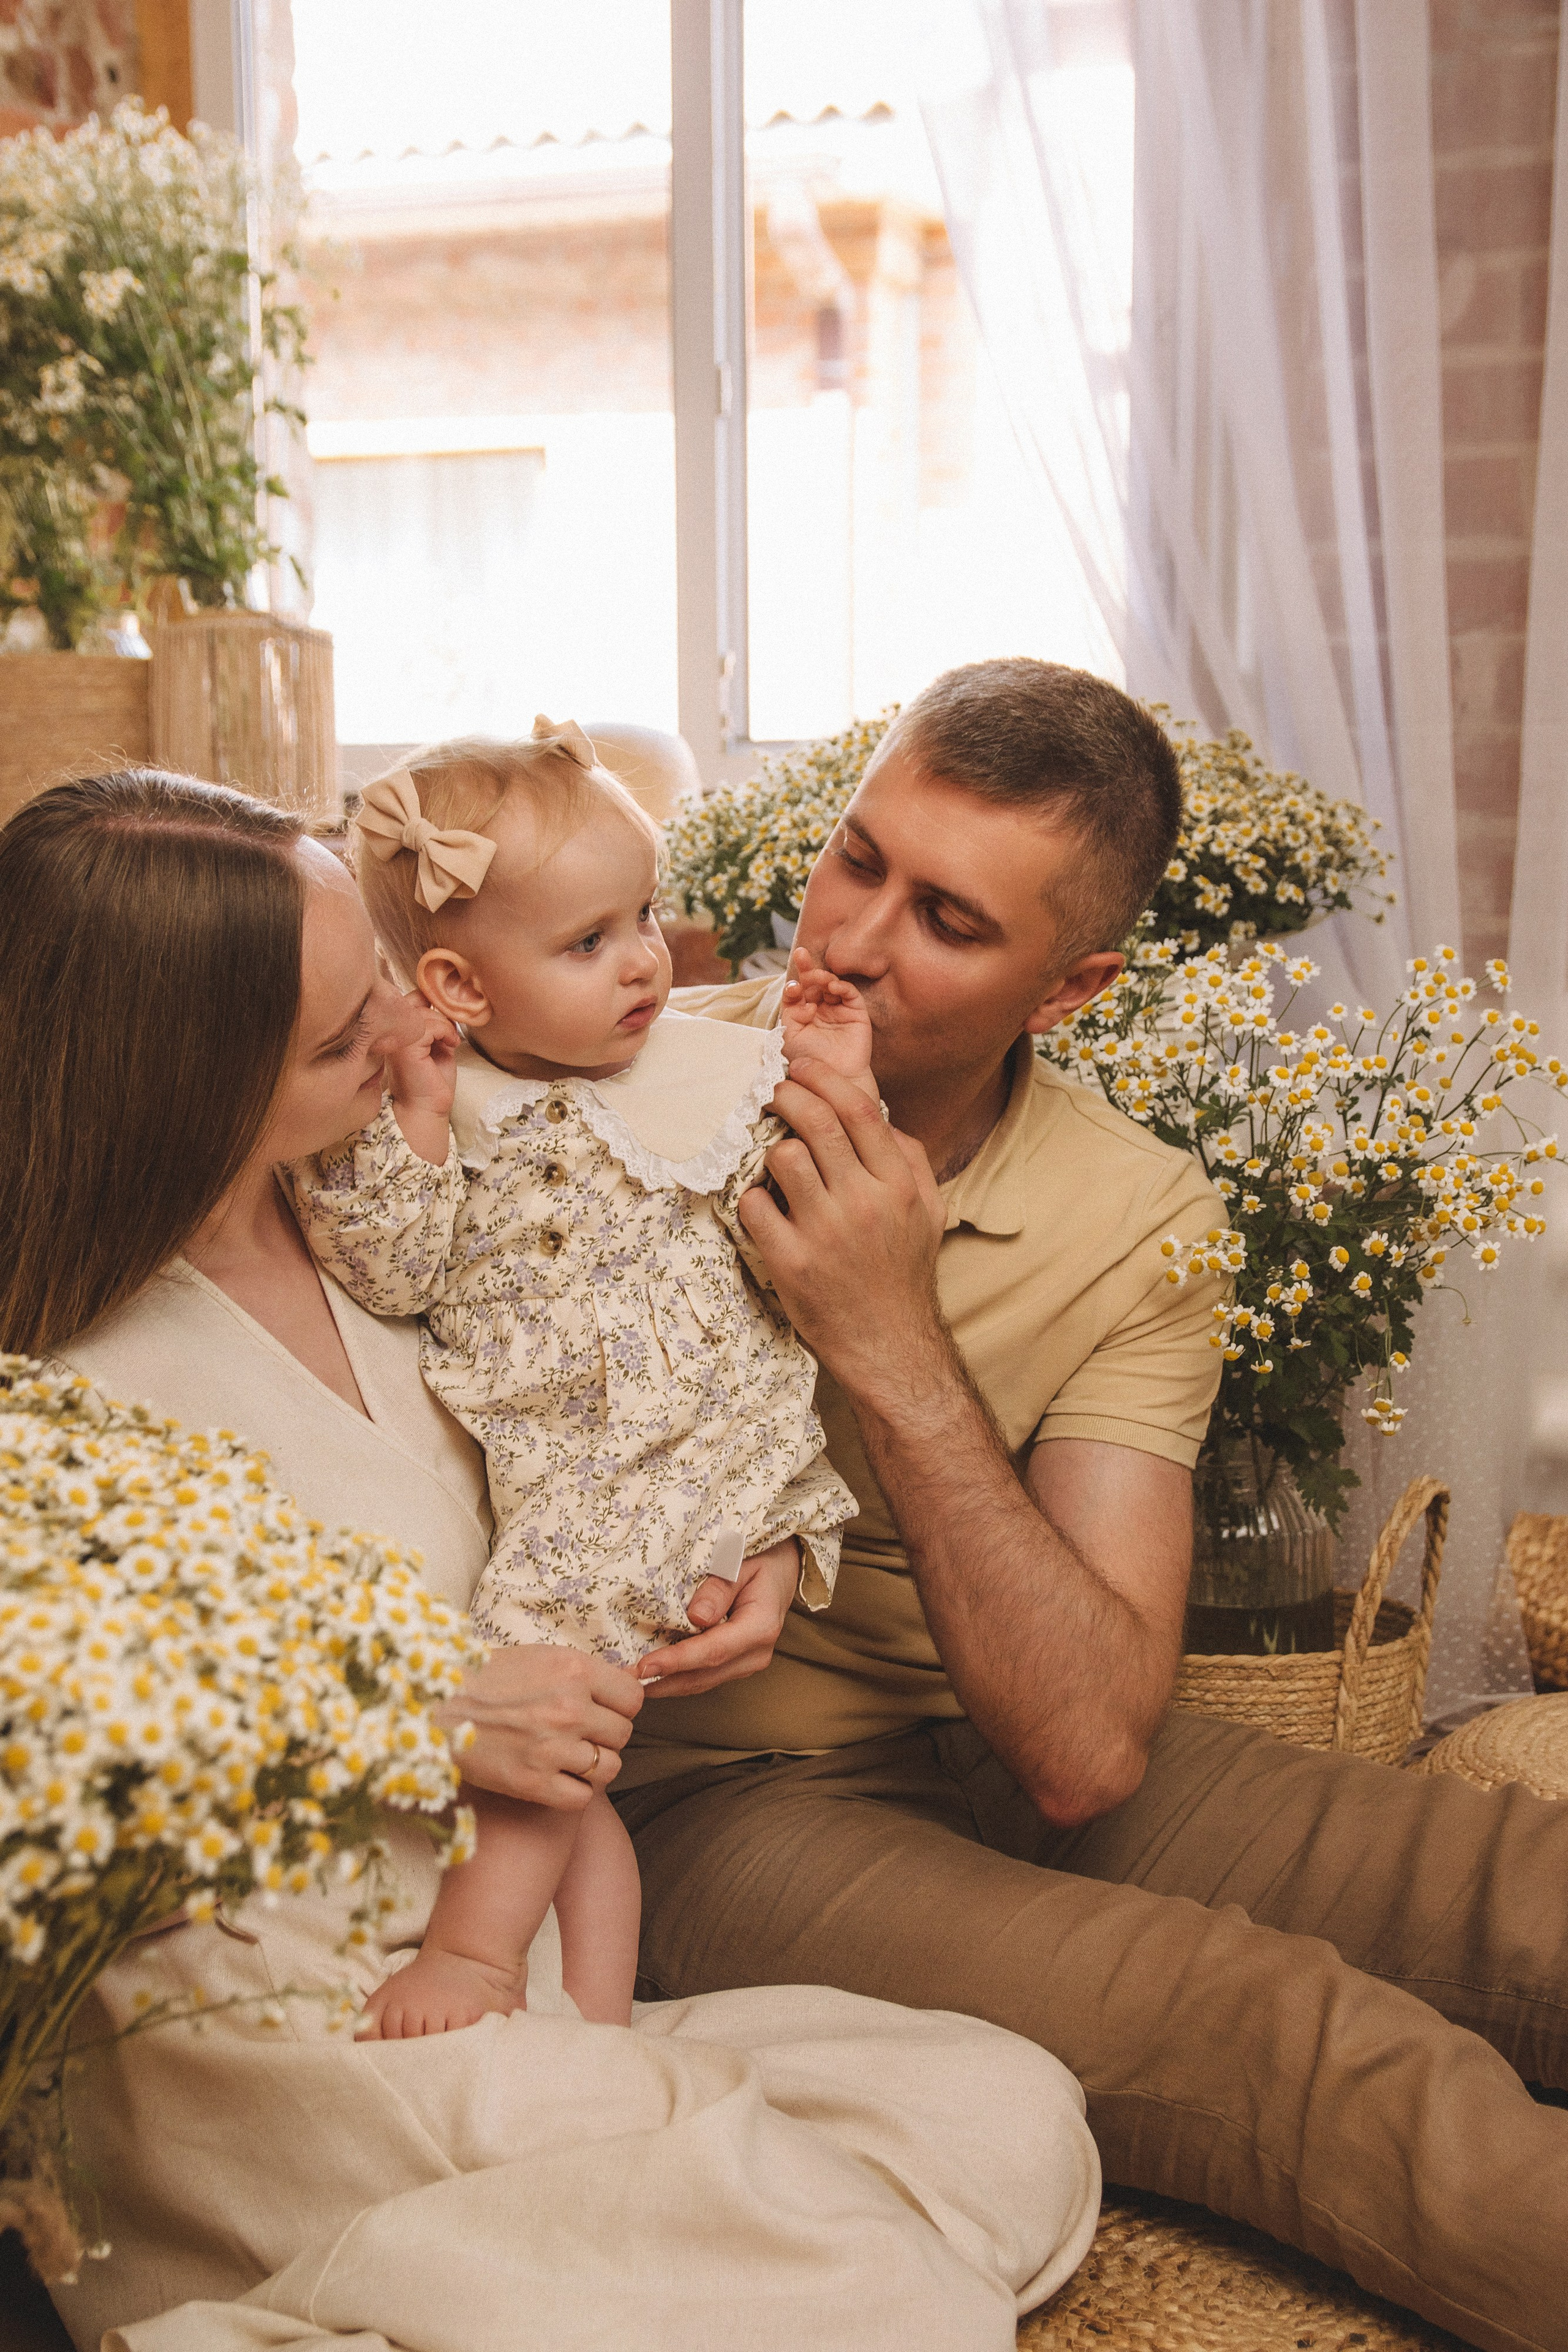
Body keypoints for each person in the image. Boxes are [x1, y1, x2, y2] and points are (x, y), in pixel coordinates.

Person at [0, 767, 1101, 2352]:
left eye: (379, 980)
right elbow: (48, 1742)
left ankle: (608, 2209)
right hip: (276, 2030)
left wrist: (741, 1539)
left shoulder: (387, 1209)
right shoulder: (64, 1371)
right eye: (337, 1038)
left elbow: (614, 1398)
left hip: (508, 1946)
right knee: (874, 2291)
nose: (404, 1031)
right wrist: (422, 1716)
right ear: (180, 1077)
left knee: (1010, 2108)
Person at [614, 657, 1568, 2352]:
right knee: (1289, 2034)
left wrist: (893, 1337)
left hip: (1003, 1735)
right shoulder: (615, 1098)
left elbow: (1083, 1744)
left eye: (951, 924)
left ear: (1072, 987)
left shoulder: (1139, 1216)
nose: (847, 943)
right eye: (857, 861)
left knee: (1508, 1887)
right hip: (714, 1803)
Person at [287, 720, 878, 2037]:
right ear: (462, 987)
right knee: (578, 1772)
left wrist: (834, 1077)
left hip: (667, 1457)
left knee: (541, 1722)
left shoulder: (708, 1076)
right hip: (597, 1474)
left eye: (645, 916)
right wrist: (423, 1125)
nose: (647, 961)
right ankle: (598, 2016)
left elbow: (813, 1237)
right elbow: (394, 1275)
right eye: (589, 942)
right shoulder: (442, 1105)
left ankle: (476, 1960)